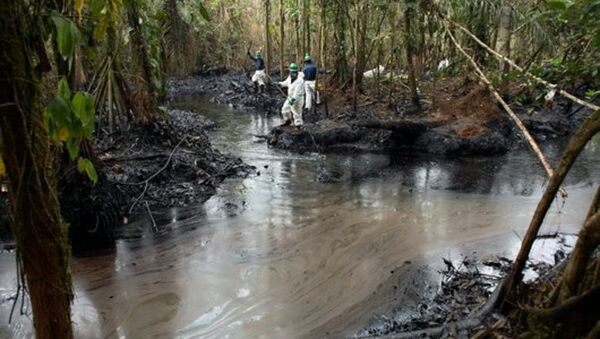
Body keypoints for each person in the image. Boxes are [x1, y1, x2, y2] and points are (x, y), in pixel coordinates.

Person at [279, 63, 305, 128]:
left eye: (294, 72)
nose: (292, 74)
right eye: (291, 72)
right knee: (284, 109)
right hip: (290, 97)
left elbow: (297, 92)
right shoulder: (290, 77)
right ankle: (288, 121)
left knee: (296, 112)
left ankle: (298, 126)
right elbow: (286, 83)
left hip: (298, 98)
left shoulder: (300, 80)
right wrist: (279, 84)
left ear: (296, 72)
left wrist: (293, 99)